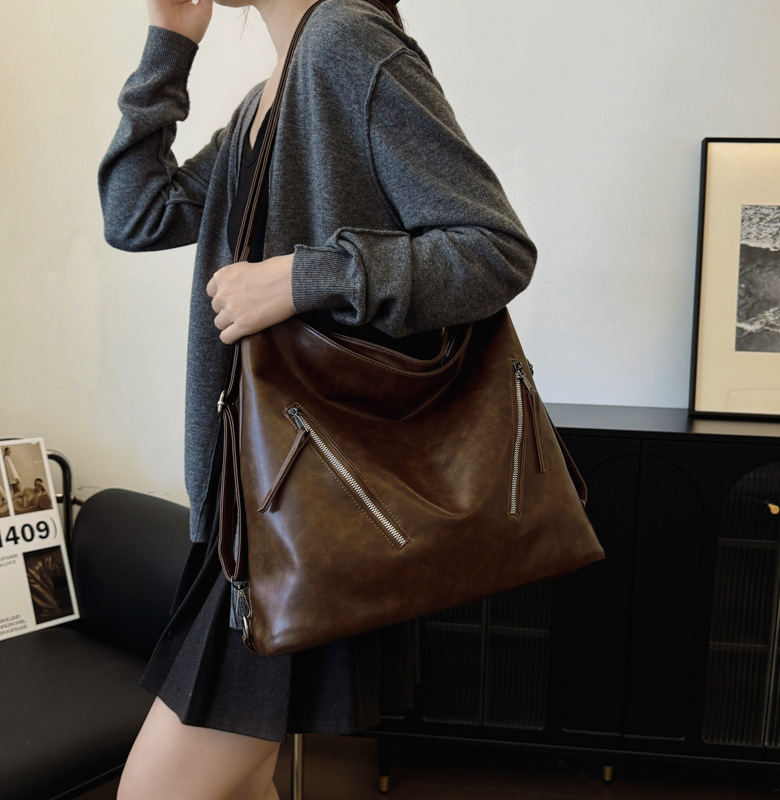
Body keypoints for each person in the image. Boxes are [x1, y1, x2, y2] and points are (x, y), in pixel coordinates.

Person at [99, 1, 537, 797]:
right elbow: (137, 214)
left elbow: (494, 250)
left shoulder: (345, 41)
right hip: (255, 514)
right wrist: (169, 45)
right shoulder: (267, 99)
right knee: (239, 786)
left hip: (307, 516)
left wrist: (303, 278)